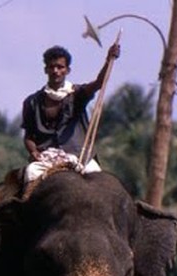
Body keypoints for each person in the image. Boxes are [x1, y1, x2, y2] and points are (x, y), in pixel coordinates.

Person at [21, 42, 120, 182]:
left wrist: (109, 59)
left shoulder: (78, 94)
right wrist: (34, 152)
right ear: (46, 70)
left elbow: (99, 83)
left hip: (80, 156)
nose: (55, 71)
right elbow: (28, 137)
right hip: (47, 158)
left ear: (67, 70)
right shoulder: (31, 102)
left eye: (60, 67)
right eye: (51, 67)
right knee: (30, 174)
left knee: (99, 179)